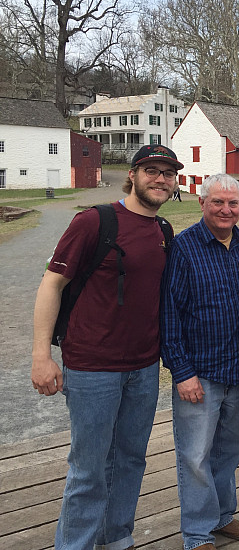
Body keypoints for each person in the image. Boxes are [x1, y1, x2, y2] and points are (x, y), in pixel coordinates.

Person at [31, 144, 182, 550]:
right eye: (152, 170)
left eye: (168, 173)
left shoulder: (162, 232)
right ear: (132, 174)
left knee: (131, 460)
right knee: (89, 469)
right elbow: (52, 284)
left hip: (144, 368)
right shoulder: (94, 222)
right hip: (92, 366)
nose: (161, 179)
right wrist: (41, 355)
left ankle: (117, 538)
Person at [160, 174, 239, 550]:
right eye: (218, 202)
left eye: (232, 203)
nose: (226, 210)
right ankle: (197, 532)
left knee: (229, 451)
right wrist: (182, 373)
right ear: (202, 203)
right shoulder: (184, 248)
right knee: (195, 456)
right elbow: (169, 313)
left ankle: (222, 516)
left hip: (238, 368)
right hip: (199, 372)